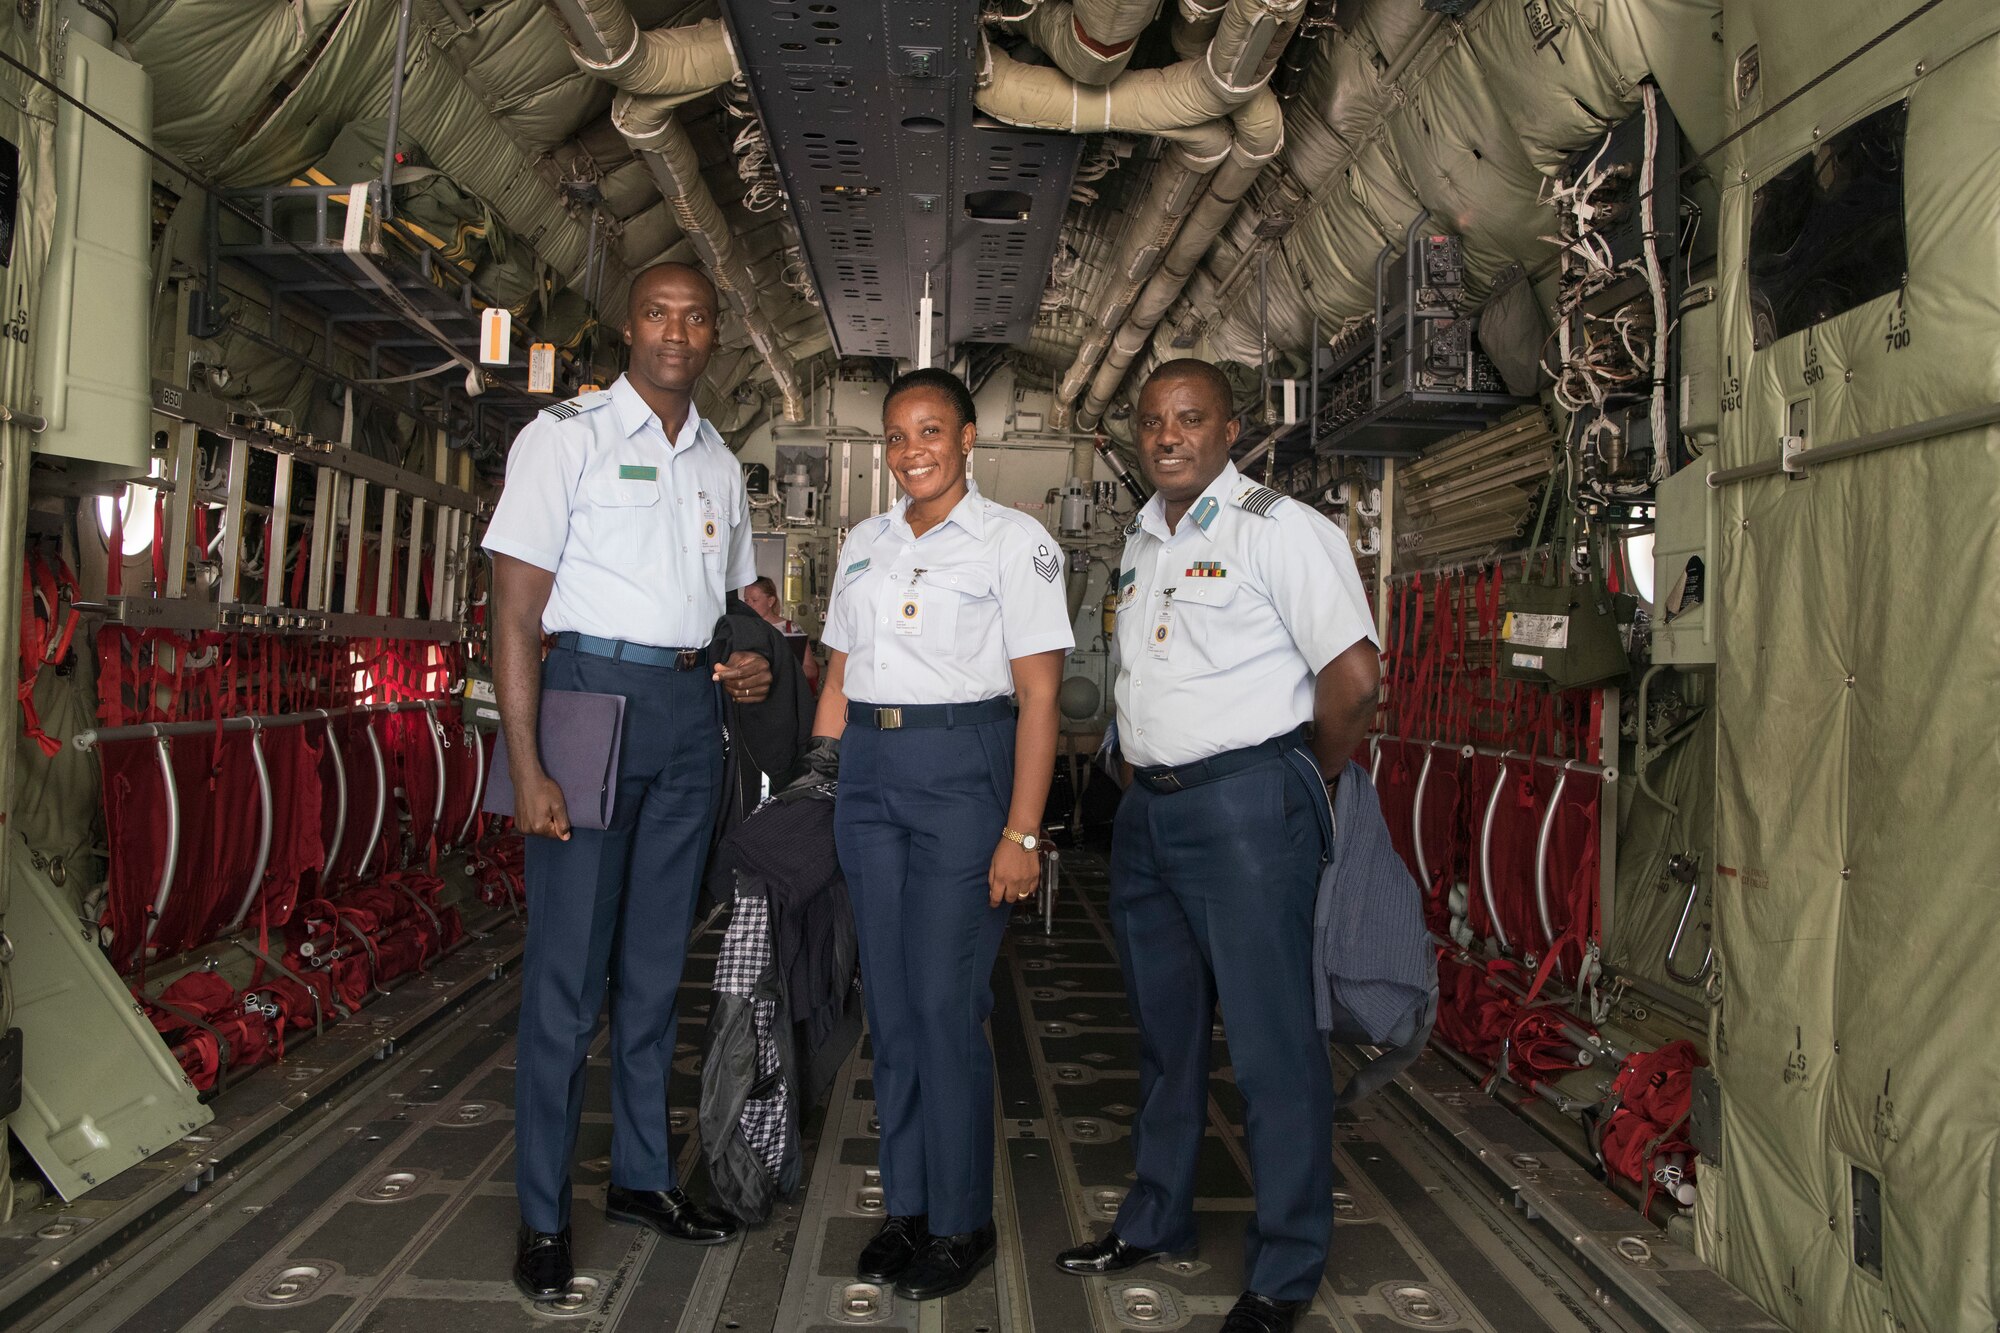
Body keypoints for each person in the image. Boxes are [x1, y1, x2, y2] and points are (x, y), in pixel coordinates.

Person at [1053, 359, 1379, 1333]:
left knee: (1272, 1046)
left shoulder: (1281, 532)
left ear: (1229, 431)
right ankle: (1155, 1218)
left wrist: (1297, 778)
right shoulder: (1143, 538)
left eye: (1188, 419)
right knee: (1164, 1037)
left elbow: (1353, 679)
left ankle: (1283, 1269)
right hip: (1150, 813)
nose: (1166, 435)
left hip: (1245, 809)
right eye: (1152, 420)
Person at [483, 261, 776, 1300]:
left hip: (689, 717)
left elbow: (735, 600)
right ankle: (542, 1215)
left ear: (714, 337)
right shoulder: (563, 439)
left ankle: (644, 1179)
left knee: (656, 972)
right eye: (659, 313)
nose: (677, 332)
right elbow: (515, 614)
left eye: (696, 318)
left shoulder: (718, 463)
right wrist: (524, 763)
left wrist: (746, 656)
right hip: (587, 705)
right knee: (566, 981)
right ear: (627, 325)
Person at [798, 367, 1074, 1300]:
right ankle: (907, 1206)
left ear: (967, 441)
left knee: (949, 1006)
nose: (912, 451)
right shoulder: (864, 543)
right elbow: (839, 672)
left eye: (930, 432)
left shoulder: (1014, 543)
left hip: (965, 774)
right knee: (895, 1006)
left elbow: (1039, 696)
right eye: (897, 436)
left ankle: (961, 1221)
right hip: (870, 778)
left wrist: (1023, 835)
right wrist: (819, 776)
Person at [741, 574, 820, 691]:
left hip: (784, 696)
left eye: (754, 600)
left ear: (771, 601)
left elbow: (811, 670)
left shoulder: (791, 628)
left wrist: (781, 672)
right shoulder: (742, 628)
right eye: (746, 600)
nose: (749, 605)